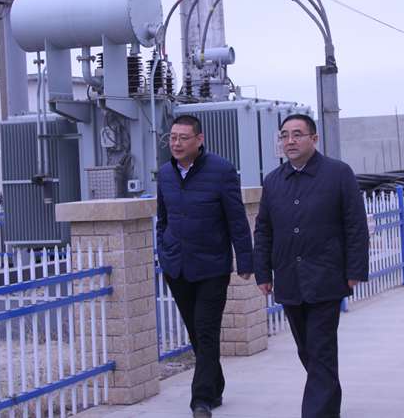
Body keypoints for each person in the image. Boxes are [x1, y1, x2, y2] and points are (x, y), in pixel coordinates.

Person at [253, 113, 369, 418]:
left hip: (327, 277)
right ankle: (329, 403)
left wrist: (355, 270)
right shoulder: (273, 181)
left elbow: (355, 224)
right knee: (308, 351)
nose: (290, 141)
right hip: (289, 277)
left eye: (297, 134)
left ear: (314, 139)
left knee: (320, 349)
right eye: (284, 135)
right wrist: (263, 272)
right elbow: (263, 229)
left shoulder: (338, 174)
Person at [156, 114, 254, 418]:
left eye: (183, 138)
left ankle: (200, 400)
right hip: (177, 267)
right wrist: (164, 250)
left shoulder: (222, 171)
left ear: (199, 140)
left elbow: (236, 219)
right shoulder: (165, 174)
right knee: (196, 333)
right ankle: (215, 385)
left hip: (212, 267)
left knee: (206, 330)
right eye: (172, 137)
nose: (176, 143)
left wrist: (245, 260)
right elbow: (163, 218)